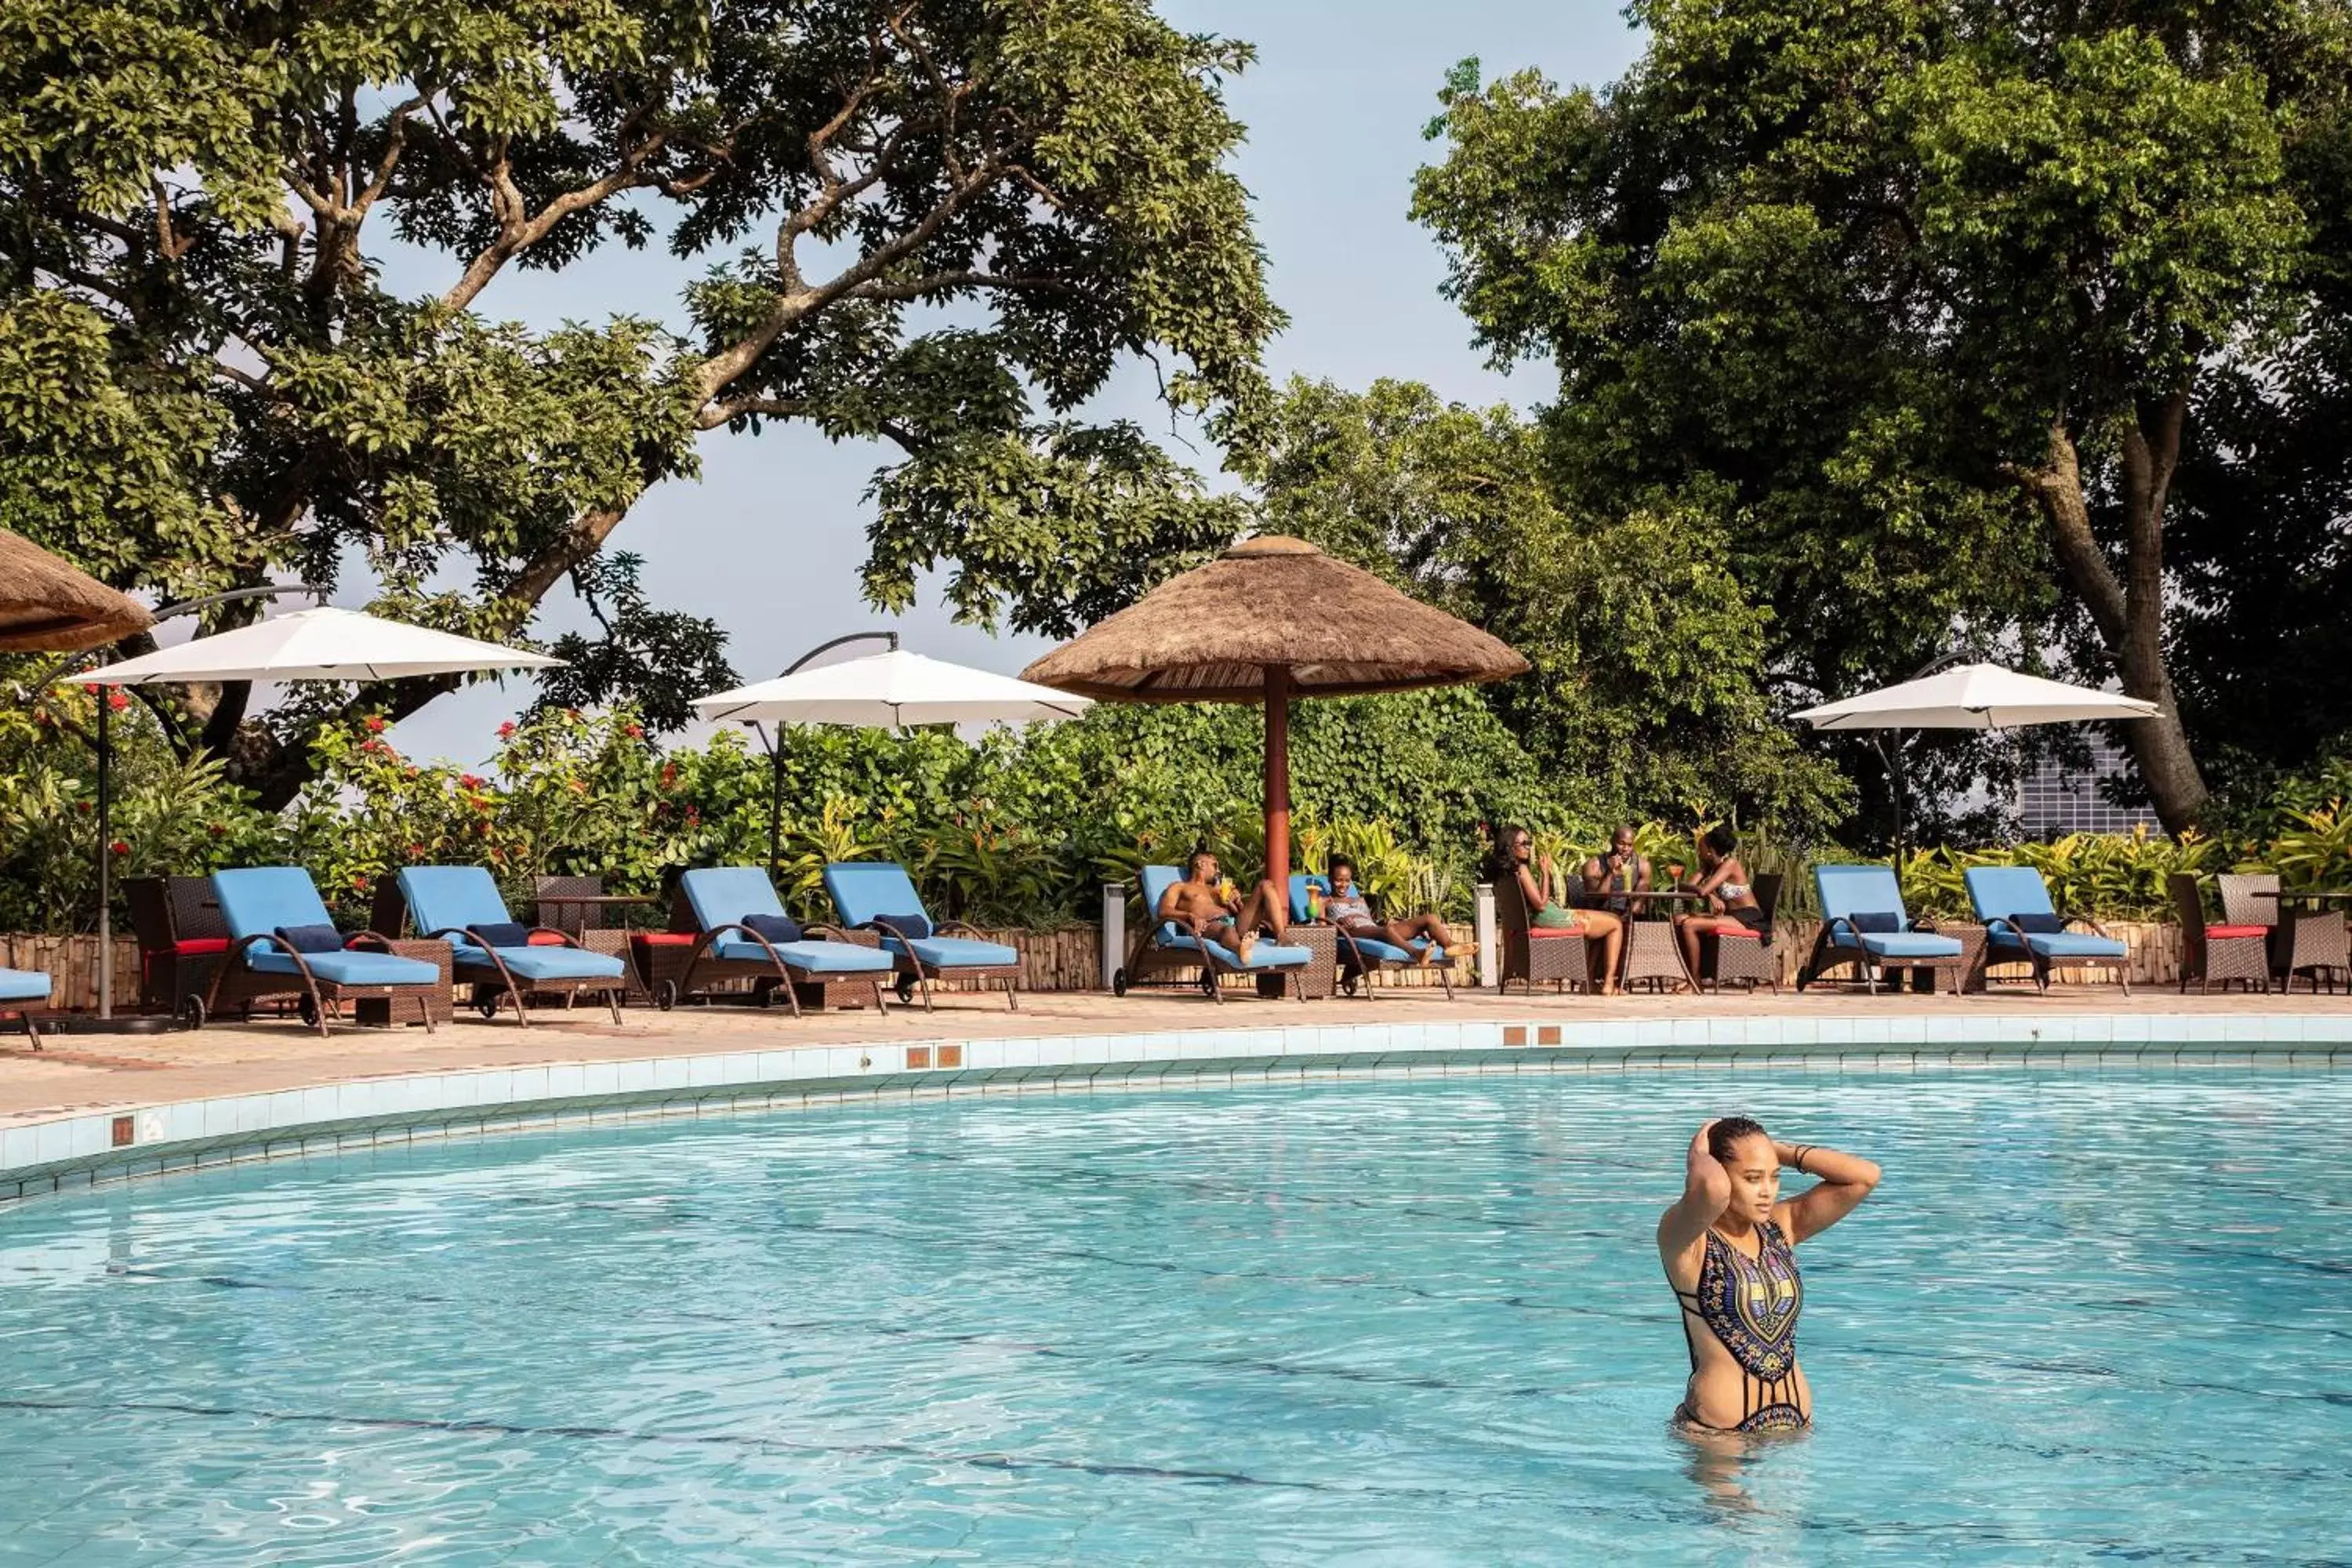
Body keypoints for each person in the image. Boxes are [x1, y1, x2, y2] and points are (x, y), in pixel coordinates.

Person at [1658, 1116, 1880, 1436]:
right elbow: (1713, 1190)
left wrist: (1774, 1151)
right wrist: (1699, 1157)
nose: (1767, 1192)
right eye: (1752, 1178)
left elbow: (1864, 1177)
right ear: (1720, 1172)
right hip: (1718, 1435)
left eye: (1774, 1177)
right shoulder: (1686, 1241)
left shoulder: (1780, 1227)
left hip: (1795, 1428)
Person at [1491, 825, 1621, 993]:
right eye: (1524, 843)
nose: (1528, 848)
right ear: (1510, 846)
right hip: (1550, 918)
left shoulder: (1504, 873)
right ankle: (1609, 983)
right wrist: (1546, 873)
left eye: (1529, 843)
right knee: (1615, 923)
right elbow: (1541, 904)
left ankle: (1588, 981)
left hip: (1537, 919)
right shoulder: (1521, 869)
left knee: (1602, 924)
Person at [1320, 855, 1475, 964]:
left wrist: (1384, 921)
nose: (1343, 885)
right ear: (1329, 879)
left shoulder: (1359, 899)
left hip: (1374, 929)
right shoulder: (1325, 901)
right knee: (1387, 930)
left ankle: (1450, 945)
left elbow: (1372, 922)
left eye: (1347, 881)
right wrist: (1338, 923)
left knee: (1430, 918)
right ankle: (1417, 953)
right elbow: (1320, 928)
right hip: (1352, 932)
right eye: (1338, 880)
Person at [1157, 848, 1287, 965]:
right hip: (1209, 926)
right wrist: (1189, 916)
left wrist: (1236, 902)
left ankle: (1281, 936)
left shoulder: (1218, 890)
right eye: (1215, 865)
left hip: (1235, 924)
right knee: (1227, 930)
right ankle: (1240, 949)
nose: (1218, 871)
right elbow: (1164, 911)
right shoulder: (1180, 887)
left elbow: (1238, 914)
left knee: (1266, 885)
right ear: (1200, 864)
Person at [1673, 825, 1765, 978]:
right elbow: (1686, 887)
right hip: (1732, 916)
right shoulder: (1709, 866)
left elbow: (1701, 890)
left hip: (1748, 918)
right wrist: (1710, 895)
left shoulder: (1730, 864)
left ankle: (1695, 979)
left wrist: (1707, 893)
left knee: (1689, 924)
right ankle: (1688, 973)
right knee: (1677, 919)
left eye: (1700, 847)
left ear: (1710, 851)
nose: (1698, 851)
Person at [1582, 826, 1652, 916]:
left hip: (1629, 918)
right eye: (1621, 844)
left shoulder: (1643, 866)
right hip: (1600, 916)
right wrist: (1610, 873)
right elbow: (1596, 902)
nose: (1625, 849)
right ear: (1612, 842)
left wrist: (1626, 919)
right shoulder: (1594, 865)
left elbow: (1639, 902)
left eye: (1629, 845)